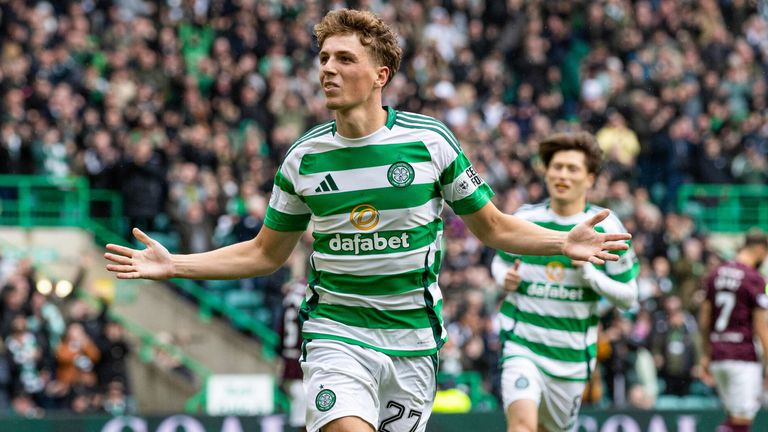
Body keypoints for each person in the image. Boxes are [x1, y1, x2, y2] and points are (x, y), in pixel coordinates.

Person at [105, 10, 631, 432]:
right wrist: (176, 264)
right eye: (323, 58)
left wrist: (563, 242)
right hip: (337, 333)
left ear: (380, 75)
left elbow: (494, 227)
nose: (327, 69)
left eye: (343, 58)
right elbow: (264, 253)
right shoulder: (303, 159)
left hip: (413, 342)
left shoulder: (429, 143)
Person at [491, 132, 639, 432]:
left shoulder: (607, 228)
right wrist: (504, 280)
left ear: (590, 179)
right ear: (545, 172)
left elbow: (628, 297)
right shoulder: (525, 218)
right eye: (556, 166)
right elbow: (500, 263)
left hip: (571, 357)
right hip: (522, 344)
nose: (562, 174)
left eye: (572, 169)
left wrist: (590, 276)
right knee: (521, 427)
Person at [698, 231, 768, 432]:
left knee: (734, 415)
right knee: (741, 421)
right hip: (742, 356)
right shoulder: (754, 278)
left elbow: (704, 318)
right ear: (760, 249)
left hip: (718, 355)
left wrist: (705, 354)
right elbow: (761, 326)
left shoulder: (715, 273)